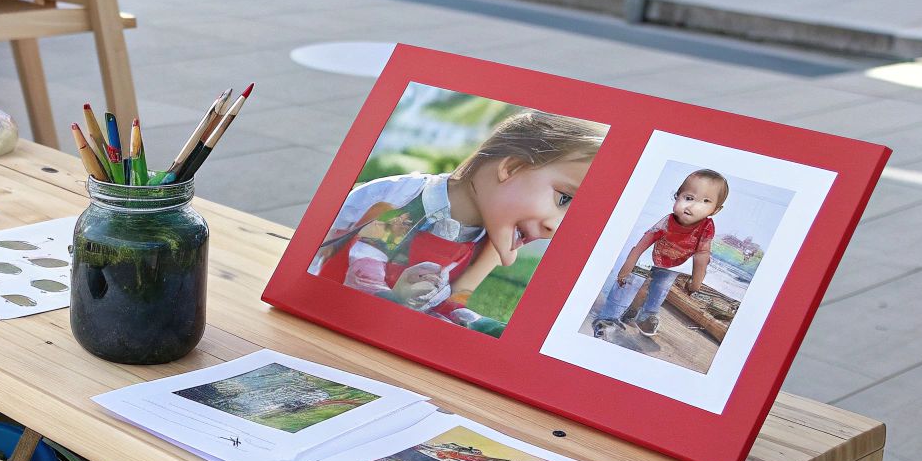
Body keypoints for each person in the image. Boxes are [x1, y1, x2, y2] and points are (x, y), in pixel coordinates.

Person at [309, 109, 608, 329]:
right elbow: (359, 281)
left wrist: (485, 327)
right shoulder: (403, 202)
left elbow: (453, 302)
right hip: (328, 313)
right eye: (563, 199)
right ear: (512, 167)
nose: (555, 226)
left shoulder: (491, 238)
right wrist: (397, 299)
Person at [592, 169, 730, 340]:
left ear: (715, 210)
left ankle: (647, 316)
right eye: (688, 198)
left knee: (662, 286)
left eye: (705, 201)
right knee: (629, 283)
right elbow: (643, 243)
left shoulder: (706, 228)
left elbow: (702, 255)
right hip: (647, 257)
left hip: (674, 261)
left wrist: (696, 282)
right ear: (677, 196)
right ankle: (607, 320)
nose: (693, 206)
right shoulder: (666, 222)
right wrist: (628, 266)